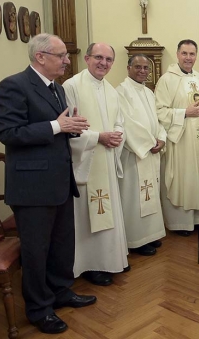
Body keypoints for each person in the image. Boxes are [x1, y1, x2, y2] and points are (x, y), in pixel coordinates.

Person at [0, 34, 95, 334]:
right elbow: (9, 133)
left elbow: (58, 128)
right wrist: (56, 126)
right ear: (41, 56)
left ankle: (61, 291)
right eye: (61, 55)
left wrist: (71, 128)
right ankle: (39, 309)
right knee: (37, 251)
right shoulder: (13, 85)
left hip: (60, 181)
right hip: (32, 187)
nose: (67, 60)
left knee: (62, 245)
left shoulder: (58, 89)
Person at [63, 42, 129, 287]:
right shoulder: (71, 86)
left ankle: (112, 259)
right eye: (98, 57)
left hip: (107, 158)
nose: (104, 63)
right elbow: (68, 127)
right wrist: (98, 137)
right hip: (86, 163)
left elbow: (119, 121)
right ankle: (90, 264)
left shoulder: (111, 90)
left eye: (109, 59)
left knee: (108, 208)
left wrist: (117, 135)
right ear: (87, 58)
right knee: (88, 214)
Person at [155, 39, 199, 236]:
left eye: (192, 54)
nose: (188, 58)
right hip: (181, 141)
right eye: (184, 53)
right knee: (185, 178)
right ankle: (182, 223)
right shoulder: (167, 80)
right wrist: (184, 112)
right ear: (178, 54)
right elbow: (159, 111)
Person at [116, 54, 166, 256]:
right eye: (138, 67)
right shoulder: (121, 92)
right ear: (128, 68)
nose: (143, 71)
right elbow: (127, 123)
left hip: (151, 152)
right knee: (135, 197)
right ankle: (136, 239)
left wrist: (161, 138)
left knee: (149, 195)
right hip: (135, 155)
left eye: (146, 68)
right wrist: (148, 143)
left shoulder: (148, 92)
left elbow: (158, 120)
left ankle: (150, 235)